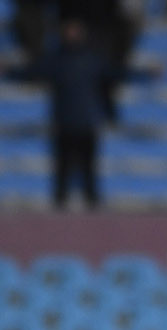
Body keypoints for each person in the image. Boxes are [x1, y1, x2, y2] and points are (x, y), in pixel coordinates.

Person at [46, 18, 114, 208]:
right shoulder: (57, 60)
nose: (73, 35)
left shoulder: (93, 60)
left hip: (87, 123)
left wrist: (145, 74)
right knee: (62, 170)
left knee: (89, 170)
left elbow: (117, 73)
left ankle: (93, 208)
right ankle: (59, 209)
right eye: (69, 31)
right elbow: (33, 71)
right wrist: (9, 71)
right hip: (64, 124)